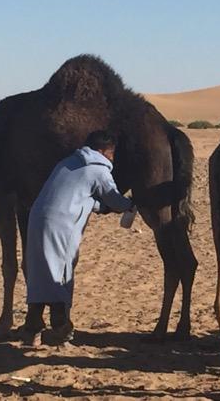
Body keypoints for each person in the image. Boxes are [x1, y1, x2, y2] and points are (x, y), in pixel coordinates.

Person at [23, 130, 133, 345]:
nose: (112, 157)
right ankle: (60, 326)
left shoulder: (67, 163)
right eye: (111, 152)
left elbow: (79, 196)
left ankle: (32, 326)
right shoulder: (97, 170)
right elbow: (115, 200)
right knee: (60, 270)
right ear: (104, 151)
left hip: (37, 218)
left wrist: (100, 207)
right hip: (61, 223)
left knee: (40, 270)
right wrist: (131, 204)